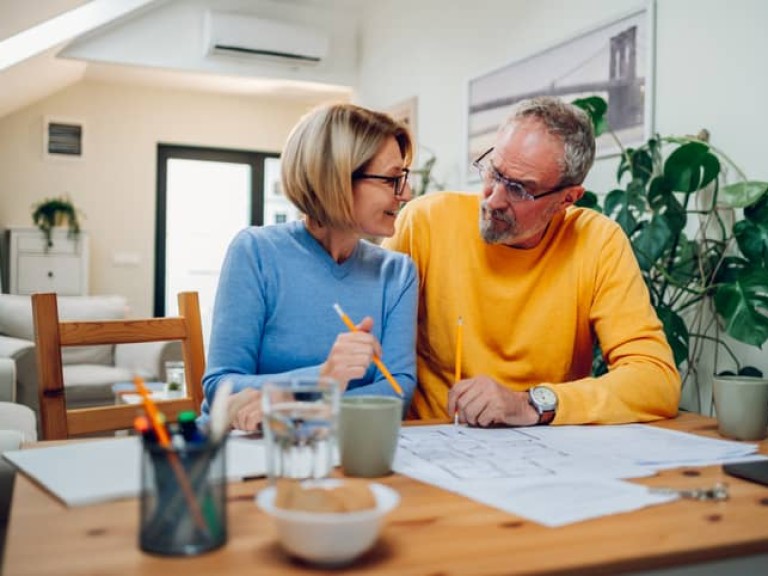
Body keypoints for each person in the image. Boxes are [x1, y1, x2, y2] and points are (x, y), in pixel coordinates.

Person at [382, 96, 681, 427]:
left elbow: (656, 380)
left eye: (519, 189)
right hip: (434, 446)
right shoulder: (424, 223)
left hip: (542, 455)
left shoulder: (598, 242)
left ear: (567, 199)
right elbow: (370, 353)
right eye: (493, 171)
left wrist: (530, 404)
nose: (493, 199)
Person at [200, 102, 418, 430]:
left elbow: (397, 391)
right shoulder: (256, 252)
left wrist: (293, 407)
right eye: (391, 180)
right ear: (339, 179)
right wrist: (323, 377)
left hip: (348, 447)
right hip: (255, 450)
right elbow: (222, 388)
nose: (406, 193)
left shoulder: (398, 273)